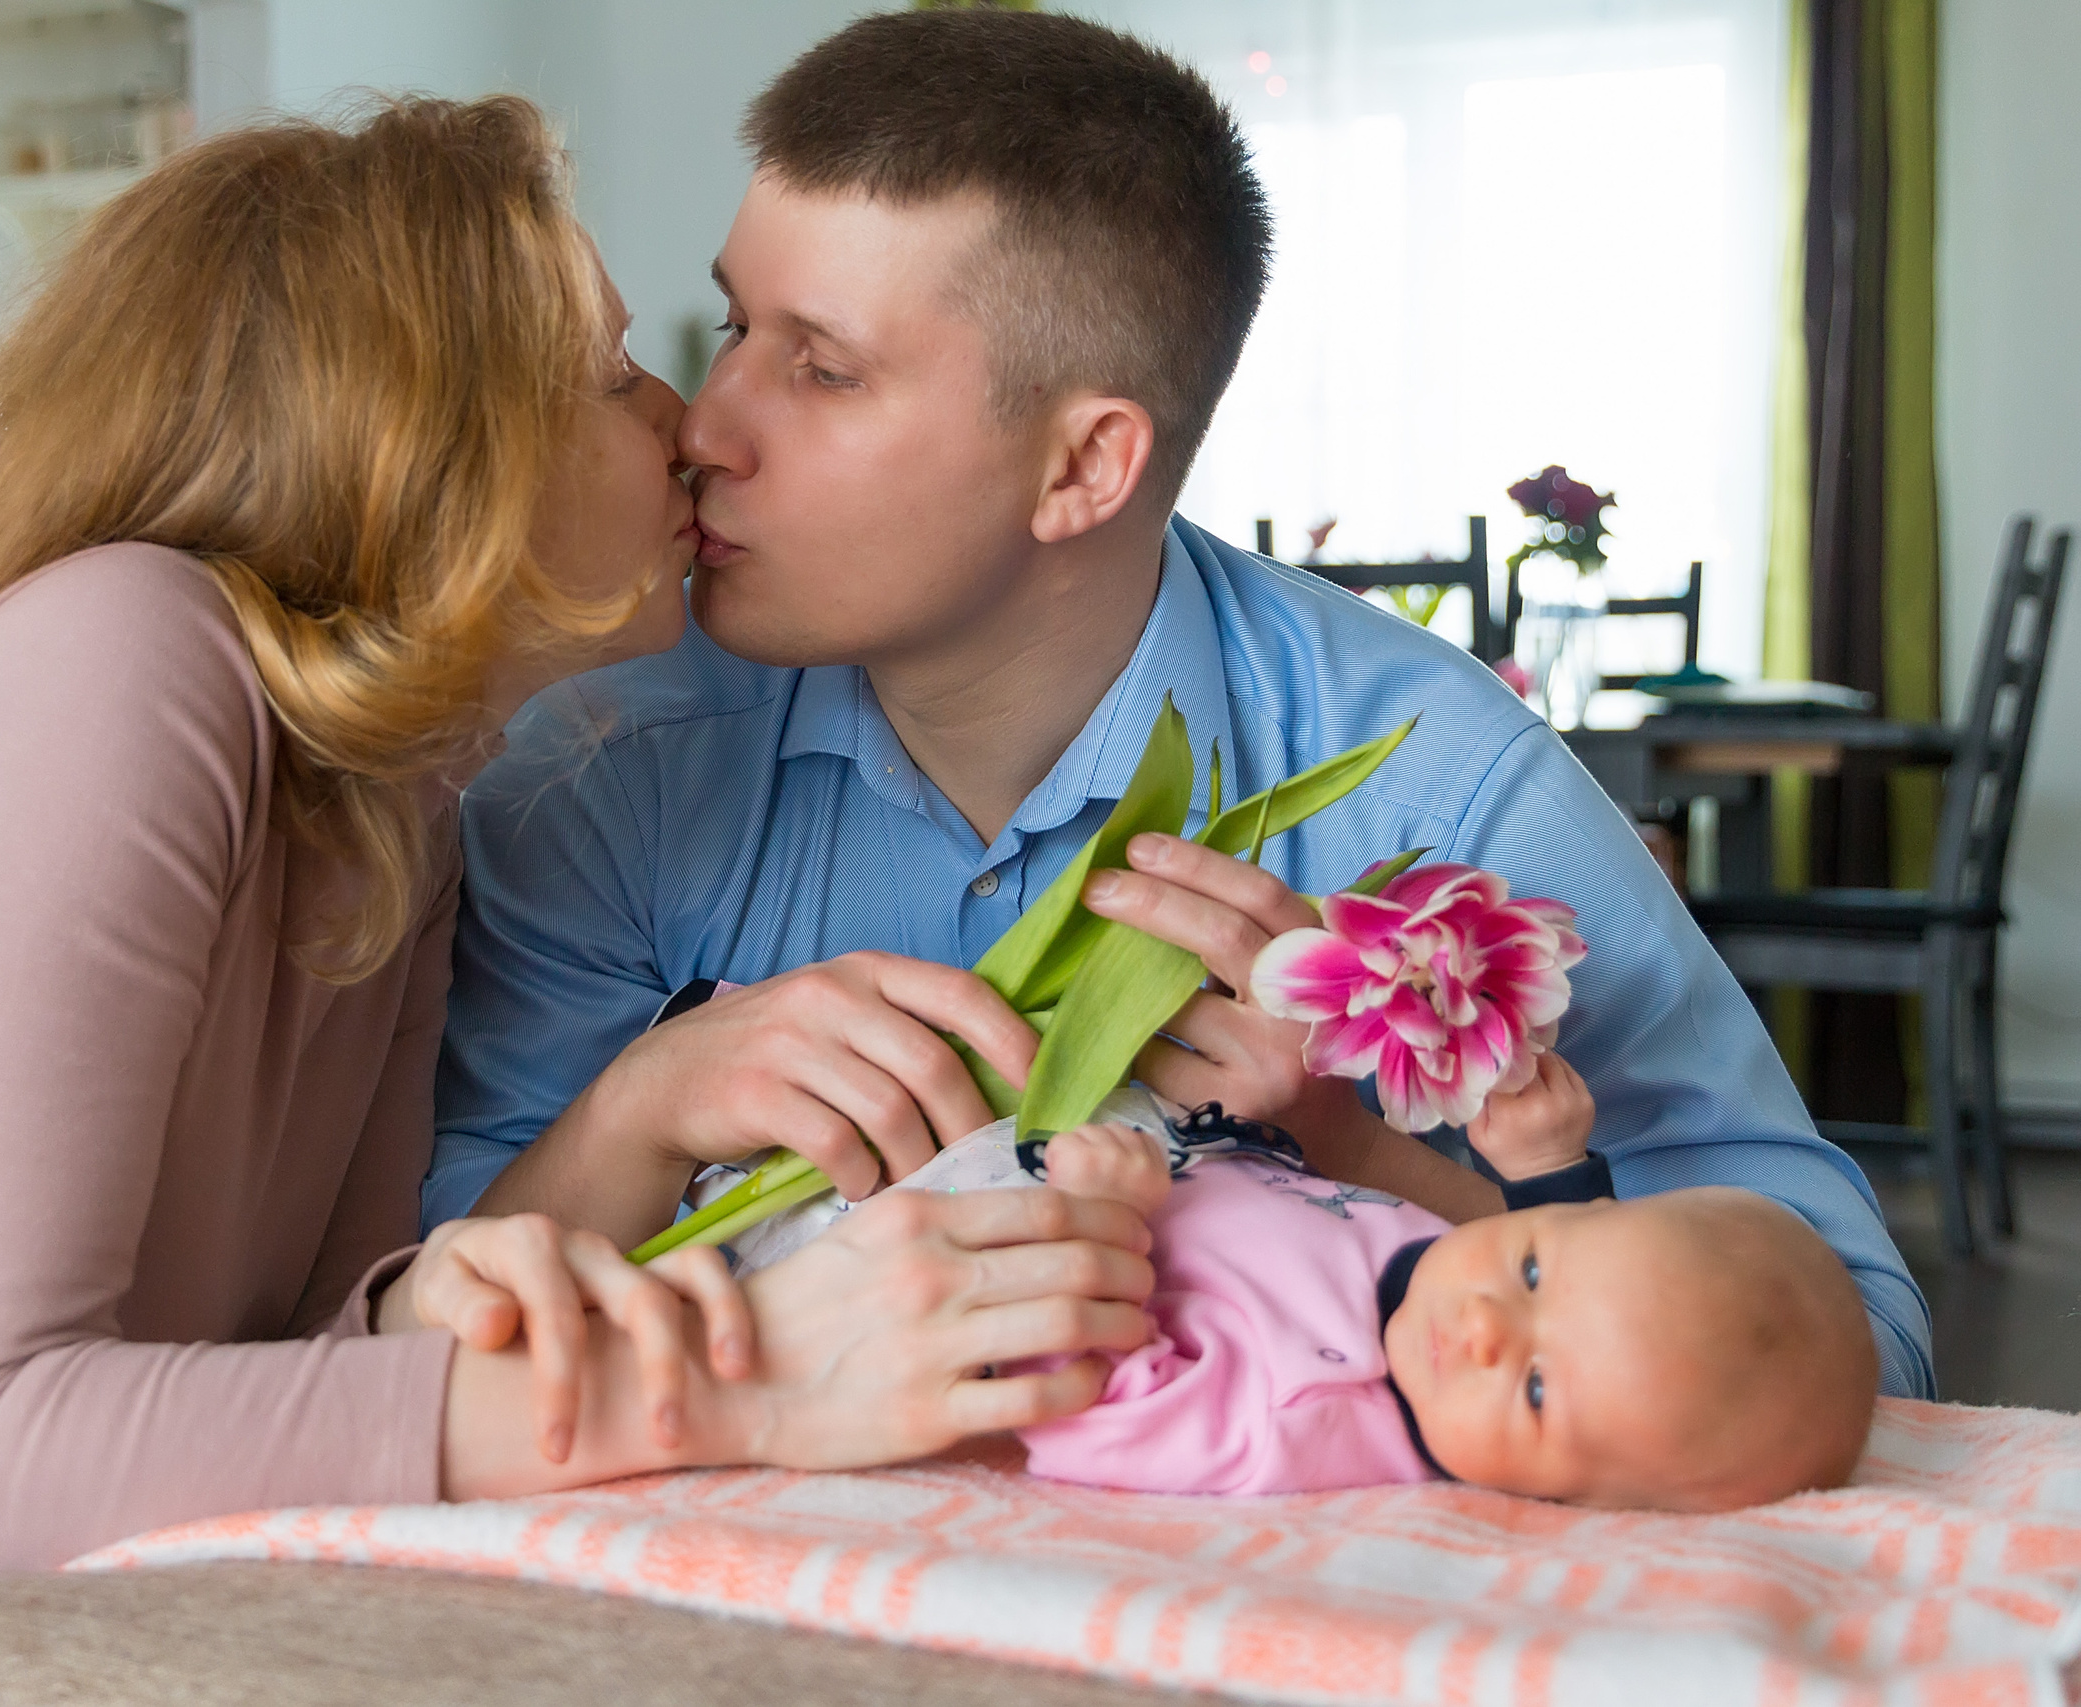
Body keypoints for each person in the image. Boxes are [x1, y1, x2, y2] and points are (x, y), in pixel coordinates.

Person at [0, 99, 1158, 1694]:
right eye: (603, 372)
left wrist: (642, 1117)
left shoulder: (401, 790)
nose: (684, 422)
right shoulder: (115, 658)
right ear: (426, 440)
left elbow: (298, 1378)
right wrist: (762, 1388)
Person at [429, 8, 1935, 1399]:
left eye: (818, 368)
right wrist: (633, 1112)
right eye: (735, 326)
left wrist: (1378, 1160)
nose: (706, 425)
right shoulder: (601, 767)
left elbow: (1858, 1344)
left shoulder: (1440, 799)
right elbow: (404, 1322)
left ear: (1086, 466)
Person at [1018, 1057, 1879, 1510]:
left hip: (1009, 1205)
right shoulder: (1448, 1306)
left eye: (1537, 1389)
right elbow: (1597, 1264)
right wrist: (1550, 1167)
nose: (1485, 1324)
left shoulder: (1314, 1406)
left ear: (1572, 1501)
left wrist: (1104, 1220)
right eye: (1531, 1270)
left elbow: (1088, 1407)